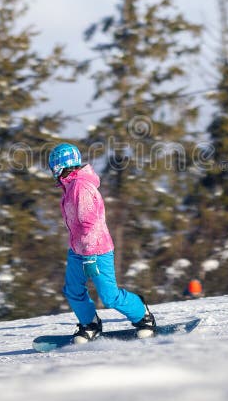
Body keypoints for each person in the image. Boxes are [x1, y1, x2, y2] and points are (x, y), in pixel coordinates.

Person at [48, 142, 156, 342]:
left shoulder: (81, 187)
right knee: (73, 290)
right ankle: (90, 324)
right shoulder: (70, 186)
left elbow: (89, 225)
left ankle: (143, 316)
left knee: (109, 296)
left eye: (52, 167)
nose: (52, 172)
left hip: (97, 250)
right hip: (77, 249)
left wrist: (89, 257)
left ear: (60, 166)